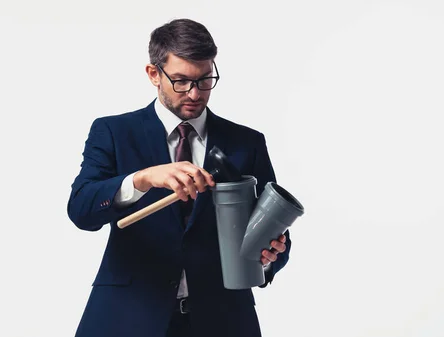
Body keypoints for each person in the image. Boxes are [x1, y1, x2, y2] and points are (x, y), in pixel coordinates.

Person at [67, 18, 291, 337]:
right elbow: (81, 209)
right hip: (128, 316)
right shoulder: (113, 132)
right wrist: (142, 179)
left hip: (223, 320)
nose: (195, 93)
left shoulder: (246, 143)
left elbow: (271, 230)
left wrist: (269, 257)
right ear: (154, 74)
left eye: (205, 80)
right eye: (182, 81)